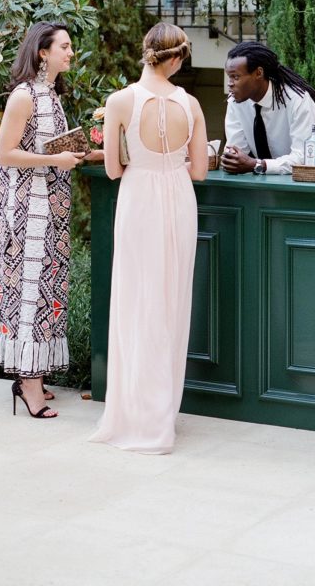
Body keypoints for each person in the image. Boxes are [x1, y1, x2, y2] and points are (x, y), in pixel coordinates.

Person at [90, 23, 208, 453]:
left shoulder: (120, 100)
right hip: (178, 199)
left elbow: (112, 170)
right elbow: (199, 171)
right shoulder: (191, 103)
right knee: (171, 303)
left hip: (137, 197)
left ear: (147, 54)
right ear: (175, 59)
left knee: (135, 300)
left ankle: (131, 413)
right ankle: (162, 417)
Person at [0, 22, 86, 419]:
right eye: (64, 47)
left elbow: (45, 145)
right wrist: (55, 159)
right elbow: (5, 154)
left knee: (48, 286)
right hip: (26, 212)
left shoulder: (52, 95)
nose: (70, 53)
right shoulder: (24, 96)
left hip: (51, 210)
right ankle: (28, 384)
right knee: (29, 289)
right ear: (42, 52)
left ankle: (36, 374)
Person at [221, 42, 315, 175]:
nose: (230, 84)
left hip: (297, 185)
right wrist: (231, 159)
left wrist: (258, 165)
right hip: (259, 188)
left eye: (236, 77)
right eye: (229, 77)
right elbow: (237, 151)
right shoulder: (235, 102)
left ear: (258, 73)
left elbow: (303, 158)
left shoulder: (297, 100)